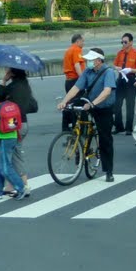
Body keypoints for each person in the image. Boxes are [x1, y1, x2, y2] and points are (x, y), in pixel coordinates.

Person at [57, 48, 118, 182]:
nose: (88, 62)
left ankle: (109, 170)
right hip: (88, 103)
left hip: (103, 107)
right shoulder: (87, 72)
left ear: (98, 60)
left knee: (105, 138)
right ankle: (80, 146)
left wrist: (93, 104)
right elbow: (76, 88)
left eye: (91, 60)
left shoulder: (109, 72)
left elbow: (107, 91)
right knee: (75, 116)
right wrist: (64, 101)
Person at [0, 84, 27, 200]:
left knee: (6, 166)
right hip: (13, 136)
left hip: (4, 139)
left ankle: (21, 188)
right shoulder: (10, 105)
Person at [2, 67, 35, 197]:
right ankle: (10, 186)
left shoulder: (12, 88)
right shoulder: (25, 85)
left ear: (12, 73)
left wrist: (4, 80)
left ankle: (24, 186)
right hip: (24, 123)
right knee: (15, 154)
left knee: (13, 156)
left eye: (8, 70)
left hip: (14, 125)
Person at [113, 32, 136, 135]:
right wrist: (118, 68)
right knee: (117, 104)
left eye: (125, 42)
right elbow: (115, 65)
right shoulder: (120, 53)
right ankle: (119, 126)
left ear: (131, 42)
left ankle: (128, 128)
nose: (123, 44)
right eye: (122, 42)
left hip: (131, 80)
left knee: (130, 105)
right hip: (121, 78)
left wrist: (131, 70)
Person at [61, 33, 86, 132]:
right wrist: (82, 79)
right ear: (78, 41)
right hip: (75, 80)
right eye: (82, 41)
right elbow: (77, 65)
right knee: (78, 104)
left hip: (69, 80)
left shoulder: (69, 50)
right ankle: (76, 126)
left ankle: (66, 125)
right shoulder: (76, 49)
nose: (83, 43)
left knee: (70, 103)